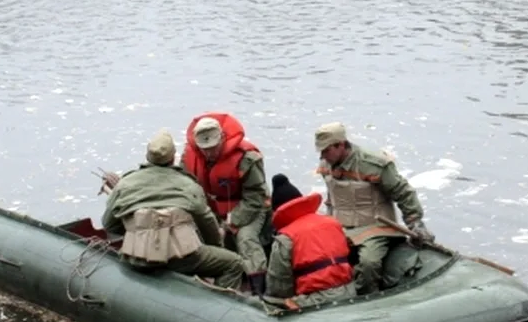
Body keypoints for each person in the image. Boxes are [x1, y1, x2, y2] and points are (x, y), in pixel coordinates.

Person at [102, 129, 245, 290]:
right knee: (234, 263)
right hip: (180, 260)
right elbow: (207, 222)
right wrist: (215, 246)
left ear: (147, 156)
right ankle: (219, 308)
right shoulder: (188, 185)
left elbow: (109, 224)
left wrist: (140, 231)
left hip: (137, 258)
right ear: (172, 158)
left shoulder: (125, 183)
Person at [313, 122, 433, 294]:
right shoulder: (326, 165)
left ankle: (369, 298)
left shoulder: (374, 165)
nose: (323, 155)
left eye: (326, 150)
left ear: (340, 145)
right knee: (319, 258)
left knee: (369, 263)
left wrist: (415, 223)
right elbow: (332, 198)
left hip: (375, 228)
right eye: (321, 151)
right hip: (341, 227)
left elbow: (403, 193)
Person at [182, 112, 271, 295]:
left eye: (213, 148)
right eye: (204, 149)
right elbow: (184, 186)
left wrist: (232, 222)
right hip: (213, 208)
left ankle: (259, 290)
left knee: (246, 239)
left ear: (222, 138)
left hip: (249, 208)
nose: (209, 153)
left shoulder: (247, 159)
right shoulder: (189, 157)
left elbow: (256, 197)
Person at [264, 174, 357, 308]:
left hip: (315, 302)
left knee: (270, 302)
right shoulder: (333, 223)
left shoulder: (285, 238)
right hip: (350, 292)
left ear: (277, 210)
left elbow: (279, 288)